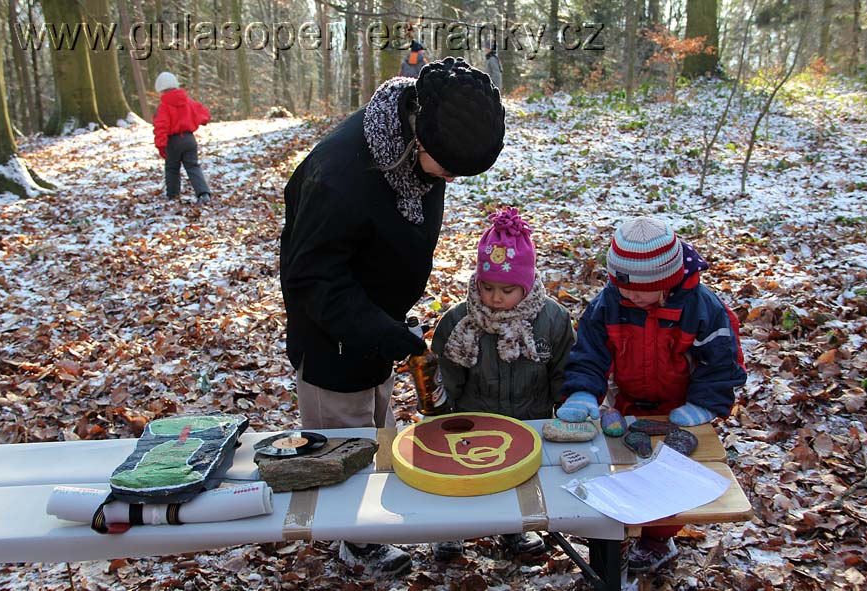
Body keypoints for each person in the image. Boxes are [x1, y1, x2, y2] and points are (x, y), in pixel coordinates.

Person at [280, 57, 505, 577]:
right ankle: (352, 541)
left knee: (378, 428)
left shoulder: (422, 136)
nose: (449, 179)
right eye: (447, 168)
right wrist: (386, 334)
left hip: (376, 325)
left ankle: (365, 524)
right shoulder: (340, 178)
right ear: (417, 141)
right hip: (332, 340)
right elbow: (312, 281)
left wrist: (390, 330)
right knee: (343, 443)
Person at [557, 216, 747, 573]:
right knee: (629, 466)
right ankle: (624, 522)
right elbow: (590, 352)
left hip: (682, 406)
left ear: (666, 280)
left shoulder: (701, 308)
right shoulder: (610, 303)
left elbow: (721, 361)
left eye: (639, 290)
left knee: (674, 475)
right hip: (628, 402)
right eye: (621, 285)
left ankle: (657, 539)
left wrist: (705, 405)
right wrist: (583, 392)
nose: (629, 294)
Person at [430, 207, 575, 561]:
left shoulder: (552, 320)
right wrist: (437, 409)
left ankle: (516, 529)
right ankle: (454, 529)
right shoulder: (460, 323)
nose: (495, 298)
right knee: (465, 478)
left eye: (508, 290)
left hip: (530, 418)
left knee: (519, 478)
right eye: (487, 287)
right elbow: (446, 378)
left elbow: (563, 373)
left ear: (526, 285)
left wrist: (568, 408)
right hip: (473, 421)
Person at [152, 71, 212, 205]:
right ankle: (203, 193)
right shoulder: (188, 101)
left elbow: (161, 126)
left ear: (161, 89)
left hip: (173, 141)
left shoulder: (164, 106)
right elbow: (204, 114)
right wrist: (199, 120)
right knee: (193, 166)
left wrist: (161, 145)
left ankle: (173, 195)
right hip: (189, 139)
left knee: (172, 168)